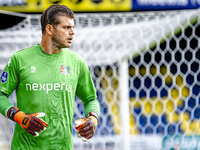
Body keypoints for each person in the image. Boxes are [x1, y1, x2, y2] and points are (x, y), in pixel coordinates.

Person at [0, 4, 100, 150]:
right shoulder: (20, 59)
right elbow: (1, 95)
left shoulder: (77, 62)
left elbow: (91, 99)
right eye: (66, 27)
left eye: (73, 27)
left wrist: (93, 119)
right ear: (49, 29)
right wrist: (19, 116)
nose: (72, 32)